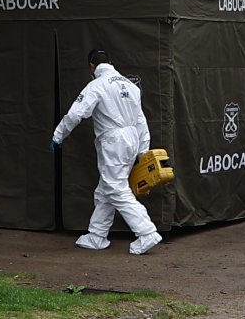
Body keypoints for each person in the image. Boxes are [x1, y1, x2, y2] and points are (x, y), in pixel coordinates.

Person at [50, 49, 161, 255]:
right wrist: (143, 150)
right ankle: (97, 235)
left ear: (92, 66)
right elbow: (141, 121)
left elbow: (75, 114)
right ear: (110, 62)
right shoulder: (131, 86)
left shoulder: (96, 86)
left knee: (116, 188)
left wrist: (58, 136)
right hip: (131, 139)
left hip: (113, 141)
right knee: (105, 189)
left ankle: (147, 232)